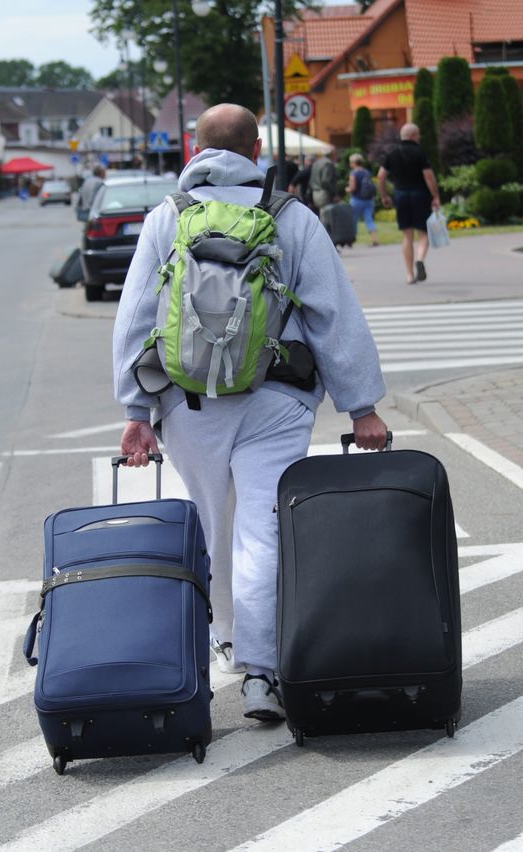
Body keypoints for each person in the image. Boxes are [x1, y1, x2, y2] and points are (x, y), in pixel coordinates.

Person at [112, 103, 389, 723]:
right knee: (263, 530)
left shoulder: (168, 218)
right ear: (257, 147)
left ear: (194, 149)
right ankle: (262, 675)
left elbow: (135, 319)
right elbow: (334, 315)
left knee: (213, 530)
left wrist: (136, 408)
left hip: (190, 403)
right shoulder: (291, 218)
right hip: (277, 397)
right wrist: (361, 407)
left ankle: (222, 647)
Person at [377, 122, 441, 285]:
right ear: (413, 136)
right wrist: (435, 196)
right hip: (420, 195)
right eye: (418, 135)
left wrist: (384, 195)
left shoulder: (392, 154)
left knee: (407, 235)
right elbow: (429, 177)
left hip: (401, 196)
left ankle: (409, 275)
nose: (419, 138)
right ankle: (419, 259)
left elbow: (381, 176)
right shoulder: (420, 153)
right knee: (423, 233)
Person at [346, 153, 379, 246]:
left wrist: (347, 189)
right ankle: (375, 239)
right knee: (369, 219)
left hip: (356, 200)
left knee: (353, 220)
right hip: (369, 200)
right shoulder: (366, 172)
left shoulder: (353, 173)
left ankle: (351, 240)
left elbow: (352, 187)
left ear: (353, 163)